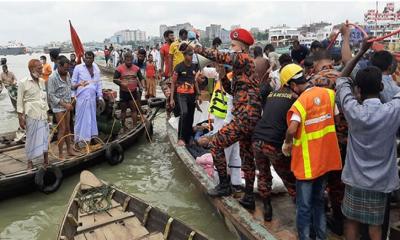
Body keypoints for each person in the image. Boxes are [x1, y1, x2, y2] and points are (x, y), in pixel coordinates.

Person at [336, 38, 400, 240]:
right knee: (376, 227)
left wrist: (361, 51)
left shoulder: (352, 110)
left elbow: (341, 79)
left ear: (358, 91)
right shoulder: (392, 111)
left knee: (351, 221)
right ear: (381, 88)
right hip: (380, 182)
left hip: (355, 179)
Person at [196, 29, 261, 204]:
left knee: (216, 143)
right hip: (248, 116)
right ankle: (248, 196)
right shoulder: (242, 67)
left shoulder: (245, 58)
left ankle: (224, 185)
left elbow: (224, 57)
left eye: (233, 46)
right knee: (247, 155)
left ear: (242, 47)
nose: (231, 49)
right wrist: (223, 77)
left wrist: (199, 48)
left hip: (245, 116)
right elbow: (232, 91)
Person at [282, 63, 342, 240]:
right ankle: (321, 237)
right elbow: (337, 119)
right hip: (324, 161)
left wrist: (287, 144)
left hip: (307, 165)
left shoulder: (301, 102)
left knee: (304, 207)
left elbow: (292, 129)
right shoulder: (329, 94)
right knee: (318, 203)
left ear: (293, 85)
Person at [251, 64, 299, 222]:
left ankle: (267, 209)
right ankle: (302, 212)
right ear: (292, 83)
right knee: (289, 179)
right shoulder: (295, 98)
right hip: (273, 143)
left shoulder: (272, 94)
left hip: (257, 139)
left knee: (264, 175)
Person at [16, 59, 49, 169]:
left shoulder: (42, 81)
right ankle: (30, 161)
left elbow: (44, 98)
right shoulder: (22, 82)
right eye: (39, 68)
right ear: (31, 69)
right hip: (31, 114)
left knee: (45, 137)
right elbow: (19, 102)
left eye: (41, 67)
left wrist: (48, 113)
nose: (41, 70)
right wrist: (20, 118)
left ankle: (46, 159)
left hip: (43, 113)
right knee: (30, 138)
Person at [47, 56, 77, 159]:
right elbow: (51, 96)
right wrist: (65, 104)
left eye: (67, 68)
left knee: (68, 128)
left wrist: (79, 85)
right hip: (58, 106)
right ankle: (60, 153)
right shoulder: (52, 77)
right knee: (62, 129)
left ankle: (69, 149)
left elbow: (70, 86)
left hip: (67, 104)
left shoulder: (67, 74)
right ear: (59, 66)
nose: (66, 70)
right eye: (64, 68)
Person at [170, 48, 201, 146]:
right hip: (181, 94)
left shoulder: (194, 67)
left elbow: (195, 81)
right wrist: (171, 99)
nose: (191, 57)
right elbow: (173, 83)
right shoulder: (178, 67)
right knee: (184, 113)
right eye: (189, 55)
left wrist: (198, 94)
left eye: (192, 55)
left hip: (191, 94)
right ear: (184, 55)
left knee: (190, 116)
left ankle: (189, 137)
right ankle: (180, 138)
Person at [71, 51, 103, 144]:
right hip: (81, 98)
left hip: (92, 98)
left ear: (93, 59)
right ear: (84, 58)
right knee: (80, 119)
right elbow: (72, 83)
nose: (88, 60)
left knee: (92, 118)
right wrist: (73, 97)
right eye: (86, 58)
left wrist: (100, 97)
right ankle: (80, 140)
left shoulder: (96, 68)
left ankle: (92, 137)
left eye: (90, 58)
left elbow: (99, 83)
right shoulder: (78, 68)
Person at [113, 52, 145, 130]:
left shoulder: (136, 68)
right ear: (124, 60)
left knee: (133, 109)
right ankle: (123, 126)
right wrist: (122, 83)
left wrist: (142, 85)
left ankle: (134, 126)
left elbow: (141, 78)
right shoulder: (119, 68)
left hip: (133, 92)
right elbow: (114, 79)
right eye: (127, 60)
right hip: (123, 92)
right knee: (123, 110)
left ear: (132, 60)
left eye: (130, 60)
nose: (129, 62)